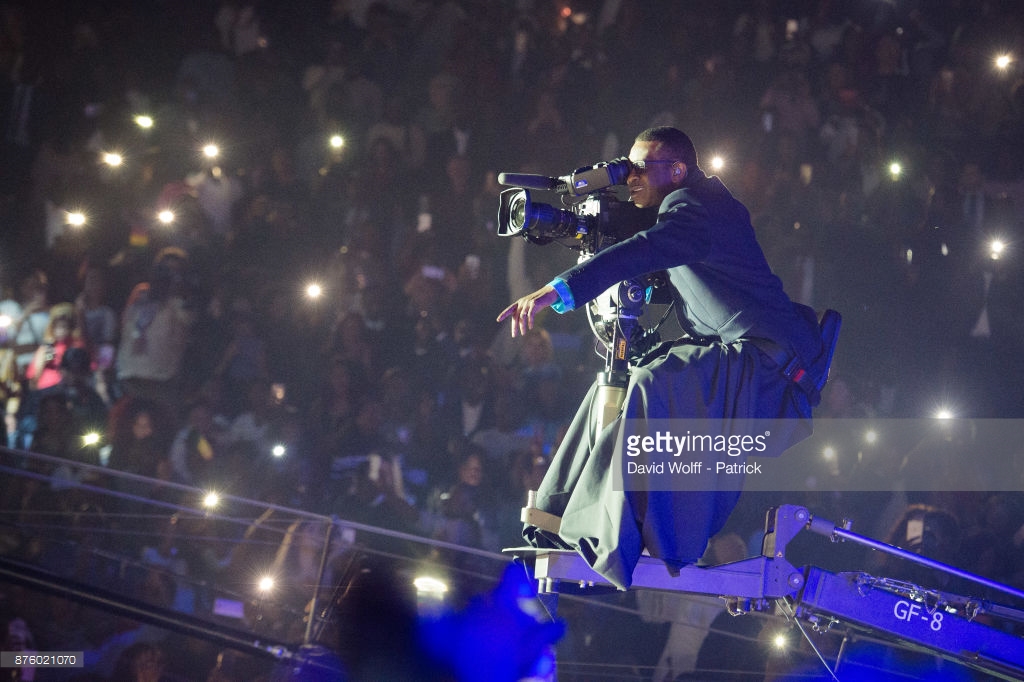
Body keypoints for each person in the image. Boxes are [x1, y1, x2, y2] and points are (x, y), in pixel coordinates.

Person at [497, 126, 828, 589]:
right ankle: (556, 516)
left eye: (640, 168)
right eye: (627, 167)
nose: (630, 177)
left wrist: (558, 290)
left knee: (655, 384)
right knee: (616, 384)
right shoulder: (693, 207)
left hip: (764, 368)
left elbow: (642, 251)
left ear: (676, 170)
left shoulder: (694, 208)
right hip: (744, 355)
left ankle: (642, 536)